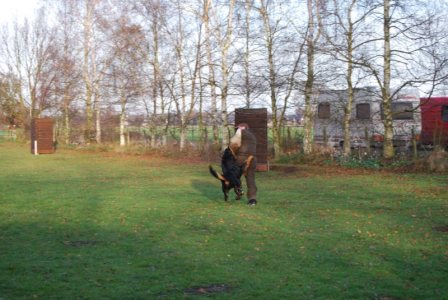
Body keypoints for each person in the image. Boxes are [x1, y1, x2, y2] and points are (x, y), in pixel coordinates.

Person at [229, 123, 258, 206]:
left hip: (241, 159)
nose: (236, 129)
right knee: (250, 179)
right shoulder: (253, 136)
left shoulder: (239, 132)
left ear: (241, 128)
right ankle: (252, 199)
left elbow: (233, 144)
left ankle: (239, 192)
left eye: (238, 127)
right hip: (252, 159)